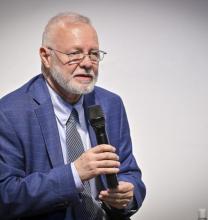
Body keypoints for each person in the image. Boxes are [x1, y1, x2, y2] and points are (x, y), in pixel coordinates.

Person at [0, 12, 146, 220]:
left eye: (94, 54)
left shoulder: (110, 104)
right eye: (75, 54)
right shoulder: (9, 113)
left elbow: (130, 172)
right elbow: (6, 195)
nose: (87, 63)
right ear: (45, 56)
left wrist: (127, 194)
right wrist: (75, 174)